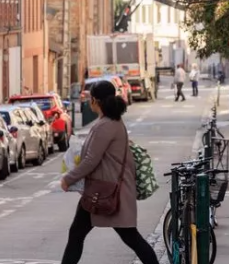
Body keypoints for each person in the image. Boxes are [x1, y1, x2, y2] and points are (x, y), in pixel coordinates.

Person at [60, 80, 159, 264]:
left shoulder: (106, 125)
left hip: (110, 193)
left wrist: (68, 178)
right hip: (101, 191)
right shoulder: (109, 122)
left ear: (96, 101)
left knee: (131, 238)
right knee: (76, 234)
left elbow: (91, 159)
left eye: (91, 98)